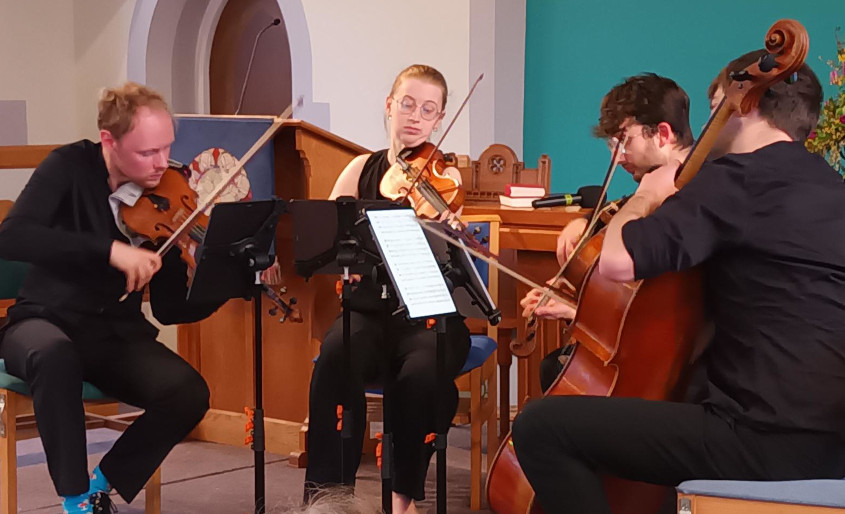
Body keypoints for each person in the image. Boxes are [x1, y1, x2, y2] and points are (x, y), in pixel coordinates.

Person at [511, 49, 845, 514]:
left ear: (743, 105)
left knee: (540, 426)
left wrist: (648, 192)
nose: (707, 132)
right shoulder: (833, 187)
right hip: (834, 447)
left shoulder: (735, 179)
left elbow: (619, 259)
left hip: (759, 442)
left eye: (714, 113)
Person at [0, 82, 225, 514]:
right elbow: (12, 237)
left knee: (188, 393)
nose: (162, 164)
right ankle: (75, 499)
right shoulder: (68, 166)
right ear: (109, 140)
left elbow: (170, 307)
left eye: (166, 148)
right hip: (43, 320)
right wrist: (108, 249)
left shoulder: (167, 197)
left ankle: (107, 480)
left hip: (111, 335)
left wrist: (227, 280)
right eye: (147, 153)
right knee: (54, 354)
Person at [303, 64, 471, 514]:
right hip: (368, 312)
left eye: (429, 109)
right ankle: (327, 496)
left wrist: (450, 234)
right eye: (408, 104)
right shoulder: (361, 168)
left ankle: (402, 498)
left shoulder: (444, 180)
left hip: (428, 315)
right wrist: (345, 261)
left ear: (439, 119)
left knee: (420, 373)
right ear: (390, 106)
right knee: (336, 356)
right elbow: (327, 242)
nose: (416, 116)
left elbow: (456, 262)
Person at [520, 73, 695, 391]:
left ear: (662, 134)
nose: (619, 156)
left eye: (624, 142)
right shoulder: (655, 184)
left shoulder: (688, 206)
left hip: (672, 378)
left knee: (549, 394)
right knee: (554, 368)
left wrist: (578, 312)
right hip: (640, 358)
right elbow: (615, 213)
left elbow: (666, 323)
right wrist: (585, 224)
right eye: (613, 145)